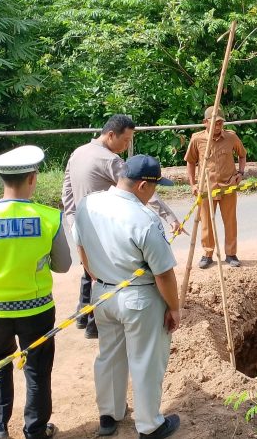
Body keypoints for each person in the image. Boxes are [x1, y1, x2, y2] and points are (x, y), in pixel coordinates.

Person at [0, 145, 72, 439]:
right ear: (32, 178)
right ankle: (35, 429)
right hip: (37, 309)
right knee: (37, 368)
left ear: (1, 178)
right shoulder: (49, 217)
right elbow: (63, 266)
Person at [72, 155, 181, 439]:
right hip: (139, 298)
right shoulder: (144, 218)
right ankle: (149, 425)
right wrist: (174, 307)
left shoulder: (88, 204)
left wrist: (96, 276)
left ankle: (109, 415)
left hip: (103, 293)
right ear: (143, 185)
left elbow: (80, 246)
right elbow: (163, 273)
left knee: (109, 355)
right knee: (145, 360)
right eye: (154, 187)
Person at [62, 114, 181, 339]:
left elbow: (66, 192)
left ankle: (83, 315)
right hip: (107, 226)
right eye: (125, 140)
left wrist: (74, 222)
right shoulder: (110, 161)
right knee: (106, 275)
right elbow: (140, 189)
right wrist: (170, 217)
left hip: (84, 224)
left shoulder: (78, 153)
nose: (127, 146)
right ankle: (93, 324)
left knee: (89, 270)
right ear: (110, 135)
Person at [184, 105, 247, 269]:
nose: (218, 126)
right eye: (215, 122)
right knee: (206, 223)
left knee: (230, 221)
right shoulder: (197, 139)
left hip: (228, 186)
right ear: (205, 122)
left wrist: (240, 173)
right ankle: (207, 254)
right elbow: (190, 162)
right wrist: (193, 184)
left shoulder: (231, 137)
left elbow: (242, 155)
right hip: (206, 188)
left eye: (220, 122)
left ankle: (231, 254)